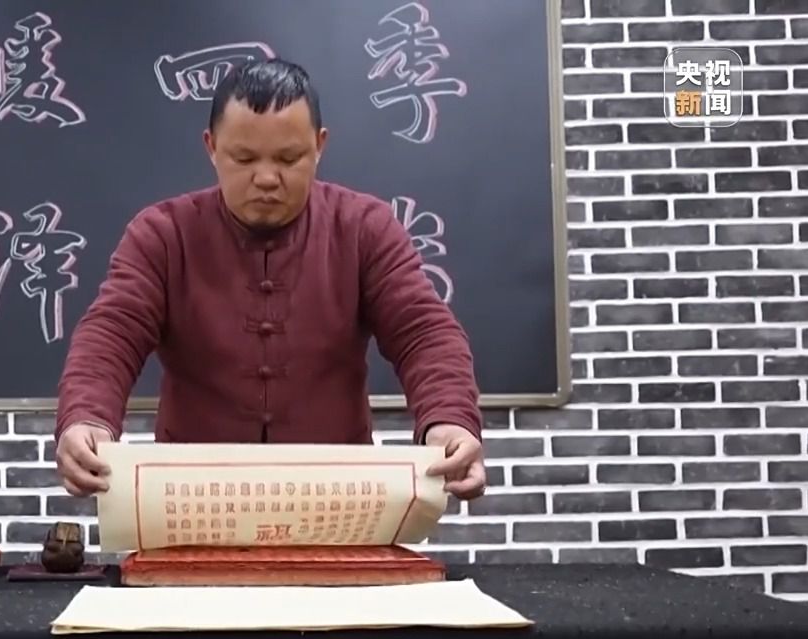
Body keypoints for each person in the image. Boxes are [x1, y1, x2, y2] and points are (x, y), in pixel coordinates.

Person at [54, 58, 486, 502]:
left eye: (288, 158)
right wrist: (88, 418)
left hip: (335, 494)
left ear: (319, 145)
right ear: (211, 147)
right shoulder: (164, 234)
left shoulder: (364, 228)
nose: (265, 178)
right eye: (243, 158)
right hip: (194, 496)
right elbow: (113, 331)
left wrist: (448, 420)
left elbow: (422, 331)